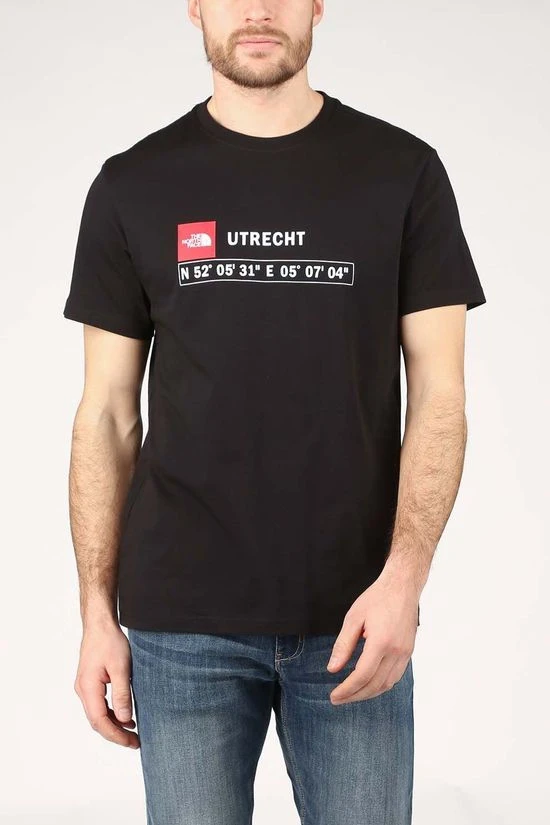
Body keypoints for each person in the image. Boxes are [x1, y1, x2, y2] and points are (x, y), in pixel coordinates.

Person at [63, 1, 487, 823]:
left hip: (356, 617)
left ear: (319, 4)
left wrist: (404, 582)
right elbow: (106, 415)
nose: (258, 9)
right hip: (180, 622)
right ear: (195, 6)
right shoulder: (133, 184)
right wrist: (94, 613)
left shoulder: (402, 171)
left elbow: (441, 396)